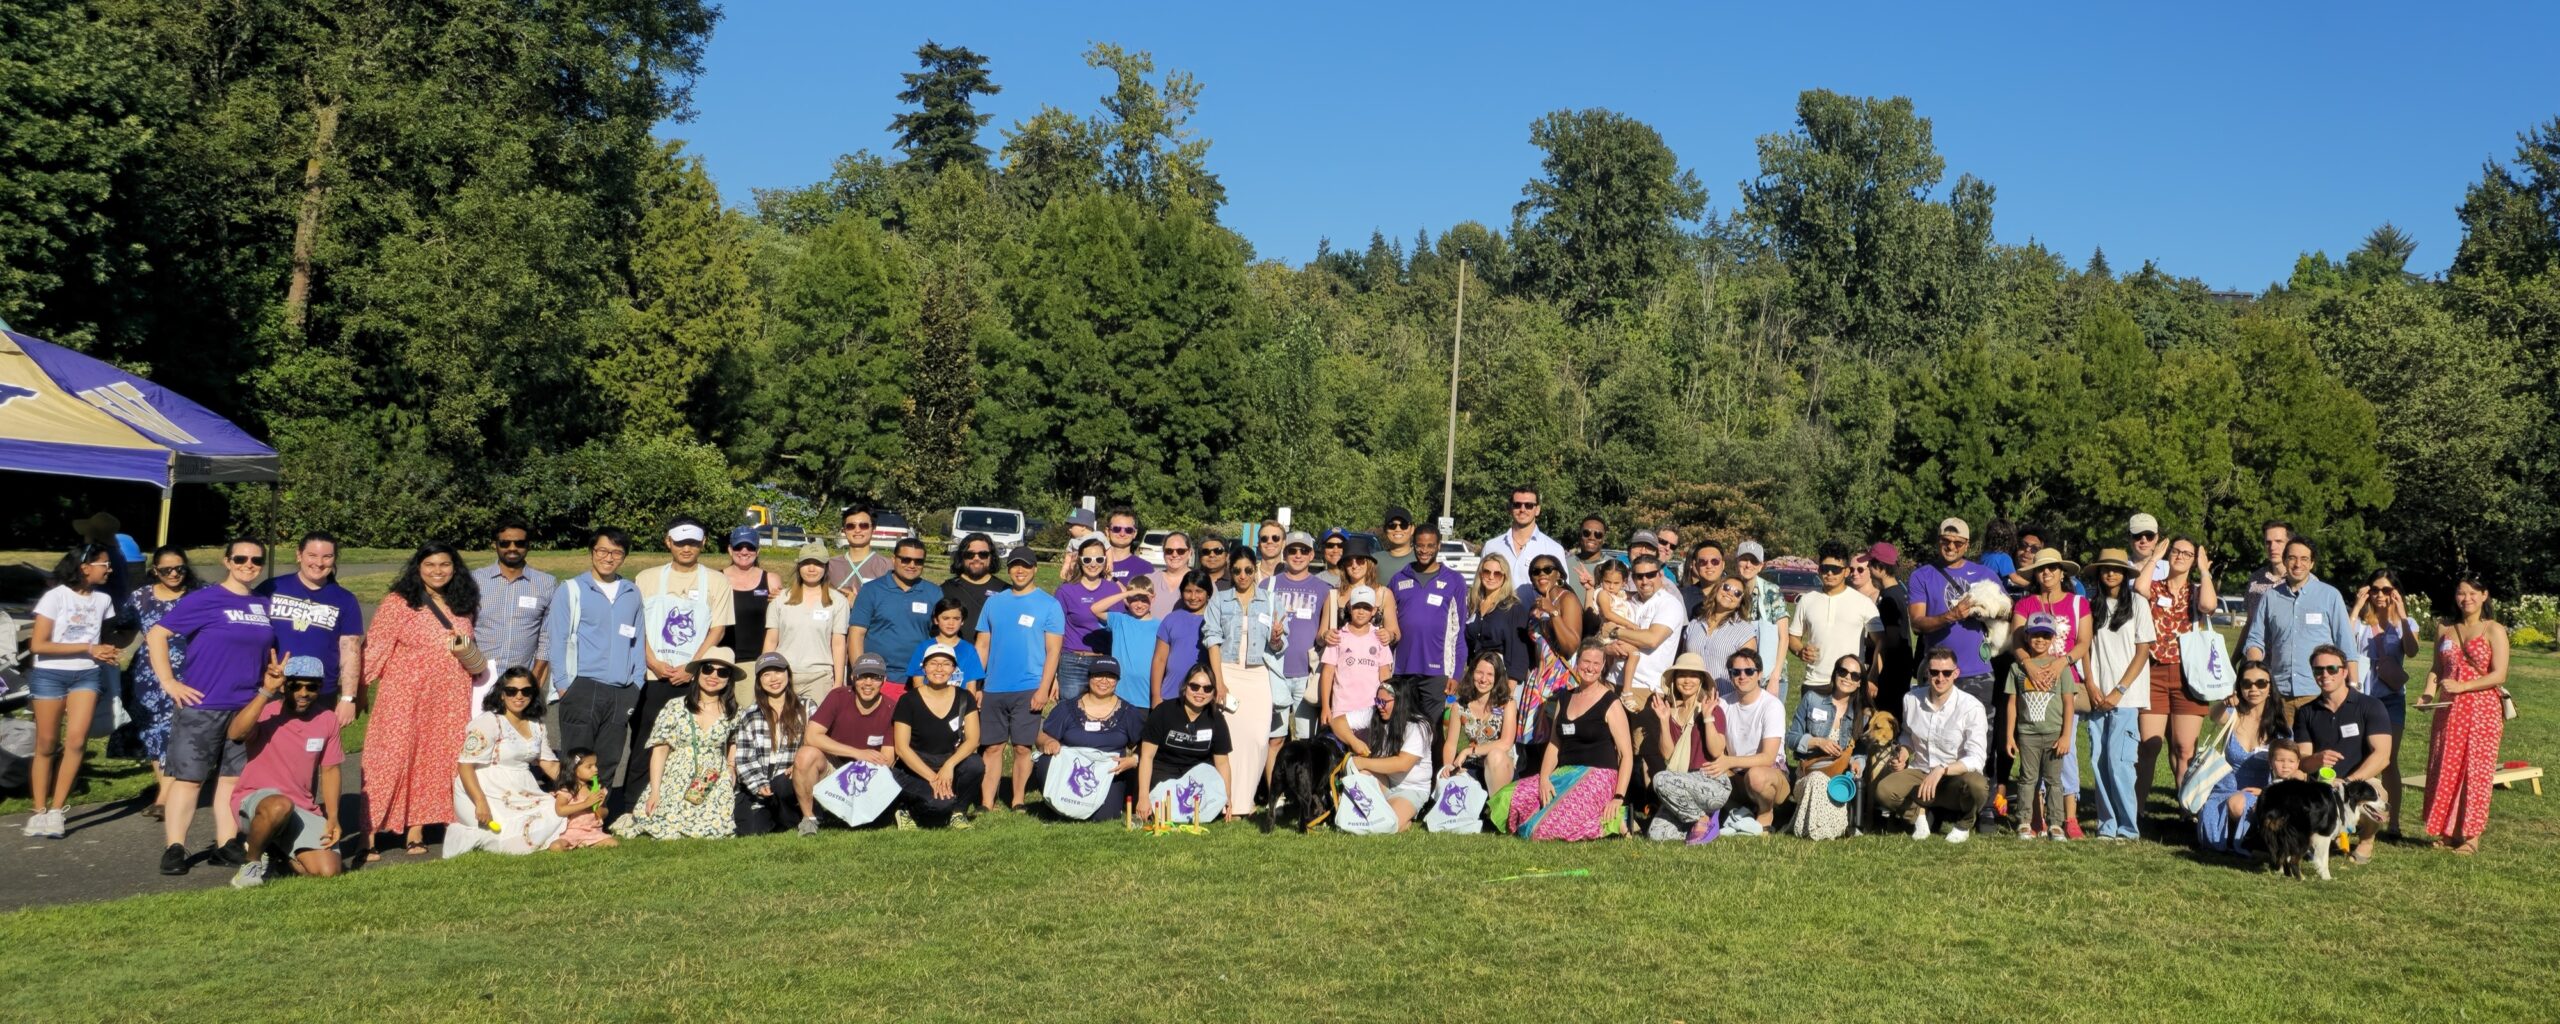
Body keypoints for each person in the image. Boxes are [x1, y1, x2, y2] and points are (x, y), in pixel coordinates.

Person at [361, 542, 483, 858]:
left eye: (444, 564)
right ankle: (369, 832)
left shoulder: (464, 603)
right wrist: (356, 691)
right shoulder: (398, 603)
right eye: (430, 565)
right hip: (403, 695)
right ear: (418, 568)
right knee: (390, 758)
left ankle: (417, 829)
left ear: (454, 568)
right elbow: (375, 648)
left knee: (434, 762)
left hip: (449, 698)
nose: (437, 571)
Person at [627, 518, 735, 817]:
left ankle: (682, 807)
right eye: (680, 542)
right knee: (645, 743)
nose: (686, 548)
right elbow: (637, 627)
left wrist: (693, 667)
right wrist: (651, 660)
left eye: (693, 542)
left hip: (692, 678)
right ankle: (631, 806)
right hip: (651, 674)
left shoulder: (716, 581)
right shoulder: (645, 578)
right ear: (668, 542)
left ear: (703, 543)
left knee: (689, 746)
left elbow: (718, 630)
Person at [1906, 517, 2004, 829]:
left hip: (1977, 671)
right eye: (1945, 542)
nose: (1950, 547)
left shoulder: (1985, 573)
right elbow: (1917, 623)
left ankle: (1982, 808)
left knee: (1980, 741)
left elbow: (2007, 610)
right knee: (1930, 738)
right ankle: (1933, 805)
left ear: (1967, 544)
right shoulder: (1922, 575)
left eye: (1957, 543)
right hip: (1937, 670)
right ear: (1938, 541)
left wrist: (1988, 607)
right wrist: (1952, 615)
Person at [20, 543, 119, 839]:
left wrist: (107, 650)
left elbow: (105, 638)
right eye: (105, 564)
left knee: (76, 741)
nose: (109, 569)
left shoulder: (104, 600)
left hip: (86, 675)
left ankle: (57, 810)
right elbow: (38, 645)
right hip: (49, 675)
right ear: (85, 566)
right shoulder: (55, 597)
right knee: (47, 744)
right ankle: (38, 810)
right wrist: (89, 647)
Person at [545, 528, 648, 810]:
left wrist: (637, 683)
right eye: (602, 550)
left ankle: (596, 816)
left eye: (616, 553)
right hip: (582, 686)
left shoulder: (631, 592)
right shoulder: (572, 589)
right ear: (592, 551)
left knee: (608, 758)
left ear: (624, 557)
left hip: (622, 690)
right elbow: (558, 639)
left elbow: (638, 640)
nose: (608, 557)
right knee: (577, 759)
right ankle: (570, 817)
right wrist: (565, 684)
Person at [222, 652, 344, 887]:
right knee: (280, 804)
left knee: (328, 873)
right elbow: (235, 734)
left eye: (312, 687)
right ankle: (251, 866)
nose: (304, 693)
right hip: (257, 801)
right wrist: (265, 691)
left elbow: (330, 771)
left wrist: (334, 817)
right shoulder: (266, 712)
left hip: (302, 807)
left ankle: (277, 852)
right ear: (284, 687)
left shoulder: (328, 719)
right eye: (296, 685)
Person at [612, 647, 741, 840]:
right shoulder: (675, 707)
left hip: (713, 776)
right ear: (698, 673)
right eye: (708, 669)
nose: (714, 675)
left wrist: (731, 766)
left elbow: (735, 740)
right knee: (662, 823)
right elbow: (660, 751)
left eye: (722, 672)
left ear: (728, 679)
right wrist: (655, 791)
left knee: (714, 828)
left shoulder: (733, 711)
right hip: (676, 776)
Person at [2421, 575, 2508, 855]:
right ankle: (2448, 832)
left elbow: (2499, 674)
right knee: (2445, 768)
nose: (2466, 598)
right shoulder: (2445, 629)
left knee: (2476, 772)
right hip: (2448, 710)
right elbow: (2437, 668)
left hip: (2482, 710)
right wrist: (2426, 693)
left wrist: (2464, 686)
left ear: (2484, 596)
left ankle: (2471, 836)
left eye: (2473, 593)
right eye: (2461, 593)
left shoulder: (2494, 629)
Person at [1506, 645, 1629, 840]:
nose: (1590, 668)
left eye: (1596, 663)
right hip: (1566, 773)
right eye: (1586, 662)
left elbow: (1625, 755)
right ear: (1577, 663)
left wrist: (1618, 797)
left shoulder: (1611, 702)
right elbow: (1555, 744)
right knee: (1511, 798)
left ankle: (1616, 818)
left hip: (1598, 775)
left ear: (1603, 665)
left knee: (1539, 830)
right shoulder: (1564, 697)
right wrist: (1544, 778)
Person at [447, 667, 569, 857]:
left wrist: (579, 786)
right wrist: (480, 802)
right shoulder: (489, 722)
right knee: (508, 834)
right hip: (484, 789)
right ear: (502, 694)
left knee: (556, 810)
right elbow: (465, 765)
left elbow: (550, 765)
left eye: (526, 691)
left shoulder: (537, 725)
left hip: (521, 788)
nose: (518, 696)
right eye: (511, 691)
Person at [975, 547, 1062, 811]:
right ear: (1008, 569)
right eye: (1014, 566)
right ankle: (986, 803)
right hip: (994, 687)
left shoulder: (1049, 604)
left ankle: (1018, 800)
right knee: (991, 747)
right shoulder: (994, 602)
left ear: (1035, 568)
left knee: (1023, 747)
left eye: (1025, 566)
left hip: (1028, 687)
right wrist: (978, 685)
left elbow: (1053, 651)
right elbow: (982, 646)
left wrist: (1043, 689)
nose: (1020, 571)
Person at [2010, 547, 2089, 837]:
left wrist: (2062, 663)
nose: (2047, 573)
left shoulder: (2078, 602)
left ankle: (2069, 817)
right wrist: (2028, 664)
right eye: (2042, 568)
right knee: (2033, 756)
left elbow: (2083, 642)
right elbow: (2017, 640)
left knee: (2064, 751)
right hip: (2031, 684)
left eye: (2053, 568)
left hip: (2063, 682)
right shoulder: (2025, 604)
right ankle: (2038, 819)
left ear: (2062, 572)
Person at [2079, 548, 2156, 841]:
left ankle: (2127, 827)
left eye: (2116, 569)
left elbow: (2143, 651)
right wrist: (2091, 684)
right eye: (2105, 569)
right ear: (2098, 573)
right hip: (2097, 695)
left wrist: (2119, 689)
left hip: (2127, 696)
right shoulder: (2089, 605)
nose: (2111, 574)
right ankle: (2106, 825)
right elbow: (2084, 646)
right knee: (2099, 760)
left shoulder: (2137, 603)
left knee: (2119, 761)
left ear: (2125, 574)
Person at [2242, 536, 2358, 728]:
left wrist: (2353, 688)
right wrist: (2254, 674)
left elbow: (2346, 644)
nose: (2298, 564)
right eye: (2292, 558)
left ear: (2312, 563)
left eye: (2304, 559)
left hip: (2320, 692)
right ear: (2285, 561)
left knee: (2318, 754)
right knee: (2282, 754)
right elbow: (2255, 639)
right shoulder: (2270, 597)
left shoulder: (2330, 595)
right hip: (2280, 694)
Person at [1879, 648, 1991, 842]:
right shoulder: (1911, 699)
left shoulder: (1971, 707)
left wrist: (1942, 770)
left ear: (1956, 673)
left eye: (1946, 673)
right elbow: (1907, 734)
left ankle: (1964, 824)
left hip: (1953, 778)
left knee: (1978, 785)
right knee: (1884, 790)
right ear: (1926, 673)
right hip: (1920, 773)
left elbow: (1977, 758)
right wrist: (1904, 753)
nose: (1940, 678)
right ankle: (1918, 816)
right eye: (1934, 672)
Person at [2295, 643, 2393, 864]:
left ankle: (2366, 840)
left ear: (2345, 671)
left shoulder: (2370, 705)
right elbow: (2302, 762)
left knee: (2377, 793)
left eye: (2331, 669)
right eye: (2318, 670)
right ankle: (2330, 834)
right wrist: (2316, 760)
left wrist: (2348, 783)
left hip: (2359, 780)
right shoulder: (2306, 712)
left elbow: (2382, 755)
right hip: (2322, 783)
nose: (2324, 674)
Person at [126, 545, 201, 822]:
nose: (174, 574)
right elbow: (123, 628)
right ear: (155, 571)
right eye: (166, 569)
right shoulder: (140, 597)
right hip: (148, 675)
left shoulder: (200, 595)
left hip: (188, 673)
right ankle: (165, 790)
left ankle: (164, 799)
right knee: (154, 735)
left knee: (175, 733)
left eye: (179, 568)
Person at [255, 532, 366, 717]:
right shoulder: (272, 588)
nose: (319, 563)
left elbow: (350, 651)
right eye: (312, 555)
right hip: (274, 687)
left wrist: (348, 698)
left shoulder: (345, 599)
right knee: (269, 744)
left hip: (319, 692)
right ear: (299, 555)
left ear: (334, 559)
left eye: (327, 556)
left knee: (314, 745)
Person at [2147, 536, 2221, 809]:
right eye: (2176, 551)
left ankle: (2186, 804)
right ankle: (2139, 808)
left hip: (2190, 675)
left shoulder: (2197, 589)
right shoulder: (2155, 587)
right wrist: (2155, 558)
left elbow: (2208, 607)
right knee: (2149, 745)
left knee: (2185, 748)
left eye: (2187, 554)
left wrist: (2204, 570)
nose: (2179, 556)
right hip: (2154, 671)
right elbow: (2140, 589)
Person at [792, 652, 899, 830]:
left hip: (868, 772)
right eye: (862, 677)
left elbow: (887, 758)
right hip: (833, 764)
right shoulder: (838, 696)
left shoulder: (891, 708)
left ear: (884, 680)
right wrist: (857, 753)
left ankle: (853, 812)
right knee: (805, 755)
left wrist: (861, 768)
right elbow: (812, 736)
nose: (868, 683)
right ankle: (809, 819)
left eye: (875, 677)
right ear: (852, 677)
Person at [1033, 656, 1146, 822]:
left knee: (1103, 817)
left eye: (1110, 676)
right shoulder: (1066, 708)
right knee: (1045, 760)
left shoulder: (1129, 712)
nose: (1104, 681)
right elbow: (1040, 736)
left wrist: (1134, 760)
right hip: (1071, 771)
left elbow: (1146, 745)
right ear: (1089, 677)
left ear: (1117, 681)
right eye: (1098, 675)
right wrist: (1047, 742)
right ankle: (1056, 804)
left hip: (1109, 773)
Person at [1204, 551, 1273, 811]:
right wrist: (1218, 683)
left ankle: (1247, 800)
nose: (1243, 575)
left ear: (1255, 570)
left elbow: (1278, 644)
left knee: (1257, 738)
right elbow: (1212, 640)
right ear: (1230, 572)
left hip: (1259, 673)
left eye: (1247, 570)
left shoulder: (1268, 599)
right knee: (1230, 739)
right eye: (1237, 571)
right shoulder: (1220, 600)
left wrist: (1277, 637)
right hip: (1228, 670)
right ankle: (1227, 802)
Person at [2352, 568, 2419, 835]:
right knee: (2360, 757)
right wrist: (2357, 607)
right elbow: (2343, 643)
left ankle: (2393, 822)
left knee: (2388, 760)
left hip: (2390, 699)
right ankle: (2358, 817)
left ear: (2395, 592)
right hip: (2361, 698)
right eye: (2375, 589)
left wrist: (2401, 616)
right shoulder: (2359, 621)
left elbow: (2412, 651)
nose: (2380, 595)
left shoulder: (2406, 622)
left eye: (2386, 590)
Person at [2196, 662, 2285, 854]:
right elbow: (2214, 716)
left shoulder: (2279, 726)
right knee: (2211, 838)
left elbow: (2288, 767)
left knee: (2238, 804)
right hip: (2225, 785)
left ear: (2270, 688)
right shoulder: (2233, 715)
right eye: (2247, 683)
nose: (2254, 688)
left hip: (2261, 791)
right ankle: (2234, 836)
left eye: (2261, 683)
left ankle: (2247, 837)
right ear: (2240, 688)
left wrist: (2265, 791)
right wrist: (2225, 702)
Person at [893, 643, 985, 828]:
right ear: (924, 667)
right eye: (933, 663)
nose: (939, 669)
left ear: (953, 669)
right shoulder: (908, 700)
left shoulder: (965, 697)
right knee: (940, 806)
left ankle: (958, 813)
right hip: (915, 766)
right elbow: (902, 748)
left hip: (947, 761)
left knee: (975, 764)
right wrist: (933, 778)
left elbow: (974, 739)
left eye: (945, 664)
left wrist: (949, 765)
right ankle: (905, 809)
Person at [2003, 616, 2078, 841]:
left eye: (2046, 635)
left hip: (2054, 734)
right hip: (2028, 734)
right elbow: (2012, 704)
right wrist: (2009, 736)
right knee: (2027, 779)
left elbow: (2068, 703)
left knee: (2054, 780)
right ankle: (2024, 822)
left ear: (2053, 638)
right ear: (2026, 636)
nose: (2040, 640)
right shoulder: (2017, 668)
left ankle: (2056, 824)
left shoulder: (2060, 668)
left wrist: (2066, 735)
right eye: (2035, 634)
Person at [1134, 666, 1238, 823]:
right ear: (1185, 687)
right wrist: (1143, 798)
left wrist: (1226, 797)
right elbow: (1147, 757)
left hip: (1196, 777)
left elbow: (1222, 763)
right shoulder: (1163, 712)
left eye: (1207, 688)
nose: (1200, 692)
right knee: (1165, 807)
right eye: (1194, 686)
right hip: (1163, 772)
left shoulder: (1216, 718)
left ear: (1213, 692)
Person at [1390, 522, 1471, 713]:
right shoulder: (1398, 579)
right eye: (1420, 545)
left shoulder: (1454, 580)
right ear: (1413, 545)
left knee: (1432, 732)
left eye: (1430, 546)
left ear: (1438, 546)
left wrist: (1457, 673)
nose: (1424, 550)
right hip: (1402, 669)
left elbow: (1459, 631)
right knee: (1402, 730)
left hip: (1437, 671)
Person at [733, 652, 817, 836]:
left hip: (789, 780)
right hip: (760, 782)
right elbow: (744, 757)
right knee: (751, 830)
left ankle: (799, 815)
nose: (773, 679)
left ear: (788, 673)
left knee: (782, 787)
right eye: (766, 674)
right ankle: (775, 816)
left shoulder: (807, 707)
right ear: (759, 681)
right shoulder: (750, 714)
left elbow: (816, 746)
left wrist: (800, 765)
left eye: (778, 671)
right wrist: (759, 784)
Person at [470, 518, 555, 697]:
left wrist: (536, 675)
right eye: (505, 543)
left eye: (519, 543)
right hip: (478, 679)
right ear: (495, 545)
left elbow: (546, 636)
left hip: (521, 681)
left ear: (528, 545)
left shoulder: (545, 583)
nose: (512, 548)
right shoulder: (475, 580)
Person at [1338, 679, 1435, 832]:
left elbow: (1402, 764)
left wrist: (1363, 762)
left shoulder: (1419, 726)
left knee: (1385, 825)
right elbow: (1338, 722)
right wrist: (1354, 741)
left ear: (1400, 702)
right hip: (1385, 780)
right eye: (1377, 700)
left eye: (1384, 702)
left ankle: (1404, 819)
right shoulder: (1375, 713)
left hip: (1410, 789)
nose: (1379, 706)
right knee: (1363, 776)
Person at [1712, 649, 1791, 833]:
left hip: (1770, 775)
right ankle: (1738, 813)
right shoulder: (1722, 704)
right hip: (1735, 774)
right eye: (1736, 672)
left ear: (1759, 674)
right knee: (1706, 770)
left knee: (1756, 777)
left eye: (1749, 671)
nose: (1742, 676)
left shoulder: (1772, 705)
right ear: (1730, 675)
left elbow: (1768, 758)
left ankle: (1766, 812)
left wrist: (1729, 761)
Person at [1266, 531, 1333, 742]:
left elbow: (1322, 634)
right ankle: (1272, 777)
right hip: (1274, 672)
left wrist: (1327, 636)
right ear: (1284, 554)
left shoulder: (1324, 589)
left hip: (1306, 674)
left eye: (1303, 550)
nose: (1298, 555)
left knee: (1306, 739)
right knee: (1274, 739)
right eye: (1292, 550)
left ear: (1312, 554)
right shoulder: (1267, 585)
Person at [1790, 541, 1881, 698]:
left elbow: (1882, 642)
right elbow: (1793, 637)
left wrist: (1872, 677)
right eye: (1825, 568)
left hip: (1850, 683)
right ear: (1819, 570)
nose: (1830, 573)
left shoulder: (1863, 603)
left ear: (1846, 572)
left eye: (1836, 569)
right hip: (1814, 684)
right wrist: (1800, 651)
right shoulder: (1807, 600)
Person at [764, 543, 849, 704]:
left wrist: (838, 682)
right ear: (799, 566)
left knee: (816, 728)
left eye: (817, 564)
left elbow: (838, 644)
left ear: (825, 567)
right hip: (784, 675)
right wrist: (765, 672)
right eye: (806, 563)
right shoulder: (781, 599)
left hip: (820, 677)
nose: (811, 569)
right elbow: (771, 640)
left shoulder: (838, 601)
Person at [848, 536, 942, 681]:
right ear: (893, 559)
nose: (912, 565)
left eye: (918, 561)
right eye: (905, 559)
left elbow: (941, 636)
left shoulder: (934, 593)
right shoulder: (871, 590)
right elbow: (856, 634)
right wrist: (860, 672)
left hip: (920, 677)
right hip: (877, 676)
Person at [1597, 555, 1683, 709]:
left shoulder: (1669, 603)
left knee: (1641, 733)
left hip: (1645, 689)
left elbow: (1651, 639)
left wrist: (1615, 632)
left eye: (1650, 575)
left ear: (1660, 575)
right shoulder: (1627, 600)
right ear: (1632, 578)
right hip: (1613, 681)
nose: (1644, 581)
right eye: (1639, 576)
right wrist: (1607, 648)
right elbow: (1601, 629)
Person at [1054, 534, 1123, 705]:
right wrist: (1053, 675)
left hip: (1104, 661)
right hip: (1072, 662)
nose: (1093, 564)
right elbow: (1054, 633)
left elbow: (1120, 628)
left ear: (1105, 560)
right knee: (1070, 714)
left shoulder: (1113, 589)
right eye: (1088, 559)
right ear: (1080, 560)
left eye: (1099, 559)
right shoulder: (1066, 590)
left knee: (1100, 713)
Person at [1319, 586, 1392, 741]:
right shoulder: (1338, 636)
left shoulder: (1380, 638)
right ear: (1349, 608)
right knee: (1340, 753)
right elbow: (1328, 673)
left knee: (1367, 753)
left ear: (1374, 611)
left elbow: (1385, 675)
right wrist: (1326, 706)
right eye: (1357, 606)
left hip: (1370, 708)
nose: (1361, 611)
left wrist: (1385, 704)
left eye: (1366, 607)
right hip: (1342, 709)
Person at [1441, 651, 1519, 794]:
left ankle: (1497, 812)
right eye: (1479, 673)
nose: (1483, 679)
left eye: (1490, 674)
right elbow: (1451, 744)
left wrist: (1468, 751)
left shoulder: (1507, 703)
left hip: (1500, 767)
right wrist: (1447, 767)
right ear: (1472, 673)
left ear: (1497, 678)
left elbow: (1506, 742)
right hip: (1471, 766)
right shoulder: (1459, 706)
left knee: (1495, 755)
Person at [1483, 485, 1576, 602]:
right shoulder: (1491, 546)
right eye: (1517, 505)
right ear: (1510, 508)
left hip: (1538, 619)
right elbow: (1480, 586)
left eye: (1529, 505)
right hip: (1496, 618)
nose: (1522, 509)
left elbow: (1561, 594)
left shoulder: (1553, 549)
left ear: (1537, 510)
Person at [1787, 654, 1867, 781]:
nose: (1847, 677)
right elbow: (1791, 738)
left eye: (1854, 675)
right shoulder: (1812, 699)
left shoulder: (1861, 714)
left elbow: (1860, 751)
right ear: (1835, 673)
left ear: (1859, 683)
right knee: (1818, 780)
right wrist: (1818, 742)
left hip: (1840, 779)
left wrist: (1858, 762)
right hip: (1810, 774)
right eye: (1843, 671)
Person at [1857, 542, 1916, 710]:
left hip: (1891, 675)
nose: (1867, 566)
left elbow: (1889, 642)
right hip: (1895, 671)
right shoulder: (1892, 593)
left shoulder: (1890, 599)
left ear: (1880, 567)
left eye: (1870, 563)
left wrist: (1873, 677)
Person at [1462, 555, 1533, 692]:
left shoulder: (1513, 608)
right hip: (1476, 678)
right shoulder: (1473, 603)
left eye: (1498, 574)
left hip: (1501, 680)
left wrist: (1509, 690)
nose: (1491, 577)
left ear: (1505, 577)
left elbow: (1519, 652)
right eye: (1487, 572)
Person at [1681, 576, 1757, 701]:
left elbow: (1748, 673)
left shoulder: (1745, 632)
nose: (1730, 593)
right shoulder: (1694, 624)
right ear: (1717, 589)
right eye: (1727, 587)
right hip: (1691, 700)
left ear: (1740, 602)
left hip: (1724, 702)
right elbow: (1683, 661)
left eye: (1737, 593)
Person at [1152, 571, 1219, 706]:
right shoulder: (1171, 619)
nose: (1193, 597)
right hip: (1170, 695)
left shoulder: (1216, 620)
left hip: (1203, 697)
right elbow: (1159, 659)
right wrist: (1156, 696)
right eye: (1188, 591)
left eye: (1199, 591)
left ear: (1208, 594)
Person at [1734, 541, 1792, 694]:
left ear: (1761, 566)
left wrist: (1775, 677)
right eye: (1744, 559)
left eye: (1753, 561)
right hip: (1740, 674)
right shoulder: (1729, 591)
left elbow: (1783, 637)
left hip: (1769, 676)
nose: (1748, 565)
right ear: (1736, 562)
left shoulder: (1772, 591)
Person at [1322, 534, 1401, 646]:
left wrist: (1389, 635)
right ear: (1344, 566)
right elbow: (1320, 635)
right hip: (1340, 660)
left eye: (1360, 560)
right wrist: (1326, 636)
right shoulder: (1334, 595)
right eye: (1349, 561)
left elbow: (1396, 633)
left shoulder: (1384, 594)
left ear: (1368, 563)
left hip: (1375, 660)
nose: (1354, 565)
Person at [1096, 578, 1161, 706]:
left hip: (1146, 695)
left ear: (1152, 598)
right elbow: (1095, 609)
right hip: (1120, 694)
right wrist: (1125, 594)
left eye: (1144, 600)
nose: (1139, 604)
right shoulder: (1120, 620)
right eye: (1134, 599)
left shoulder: (1160, 626)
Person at [720, 527, 781, 662]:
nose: (744, 551)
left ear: (757, 551)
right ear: (730, 550)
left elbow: (780, 622)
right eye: (738, 547)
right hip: (721, 662)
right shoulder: (716, 579)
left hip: (758, 661)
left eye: (750, 547)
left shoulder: (771, 580)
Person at [906, 597, 987, 698]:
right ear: (936, 620)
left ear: (962, 621)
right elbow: (917, 681)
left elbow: (971, 685)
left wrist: (967, 708)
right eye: (946, 618)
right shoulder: (924, 647)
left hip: (958, 706)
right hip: (928, 703)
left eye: (956, 619)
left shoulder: (969, 650)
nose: (951, 623)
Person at [549, 748, 617, 850]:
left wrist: (598, 807)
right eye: (589, 767)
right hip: (570, 832)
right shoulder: (568, 789)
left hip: (592, 831)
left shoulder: (597, 788)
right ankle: (576, 844)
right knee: (556, 846)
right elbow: (560, 810)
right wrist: (586, 803)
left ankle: (582, 844)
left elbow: (604, 813)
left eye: (595, 765)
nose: (595, 769)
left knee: (613, 843)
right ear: (574, 769)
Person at [940, 533, 1002, 638]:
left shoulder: (1004, 590)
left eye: (983, 554)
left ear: (991, 557)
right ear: (962, 557)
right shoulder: (945, 589)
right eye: (970, 554)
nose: (976, 558)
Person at [826, 505, 894, 590]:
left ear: (873, 529)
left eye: (864, 525)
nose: (857, 530)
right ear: (844, 530)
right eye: (850, 526)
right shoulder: (830, 565)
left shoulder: (886, 566)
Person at [2242, 520, 2292, 625]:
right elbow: (2250, 622)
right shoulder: (2255, 579)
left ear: (2290, 544)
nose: (2272, 547)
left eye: (2278, 541)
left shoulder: (2306, 581)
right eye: (2268, 542)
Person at [1678, 541, 1726, 619]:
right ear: (1696, 566)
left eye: (1715, 561)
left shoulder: (1732, 596)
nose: (1709, 566)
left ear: (1723, 565)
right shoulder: (1682, 596)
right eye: (1703, 562)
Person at [1103, 507, 1152, 583]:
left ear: (1134, 533)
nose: (1122, 534)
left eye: (1128, 530)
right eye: (1117, 529)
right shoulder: (1093, 564)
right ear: (1107, 531)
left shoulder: (1145, 568)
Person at [1568, 515, 1613, 596]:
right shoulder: (1565, 564)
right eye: (1586, 533)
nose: (1592, 537)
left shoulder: (1614, 565)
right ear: (1580, 535)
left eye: (1598, 534)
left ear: (1604, 539)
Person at [1375, 507, 1419, 581]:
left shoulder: (1421, 559)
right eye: (1392, 525)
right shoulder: (1374, 561)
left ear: (1412, 529)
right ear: (1385, 529)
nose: (1398, 529)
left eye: (1403, 525)